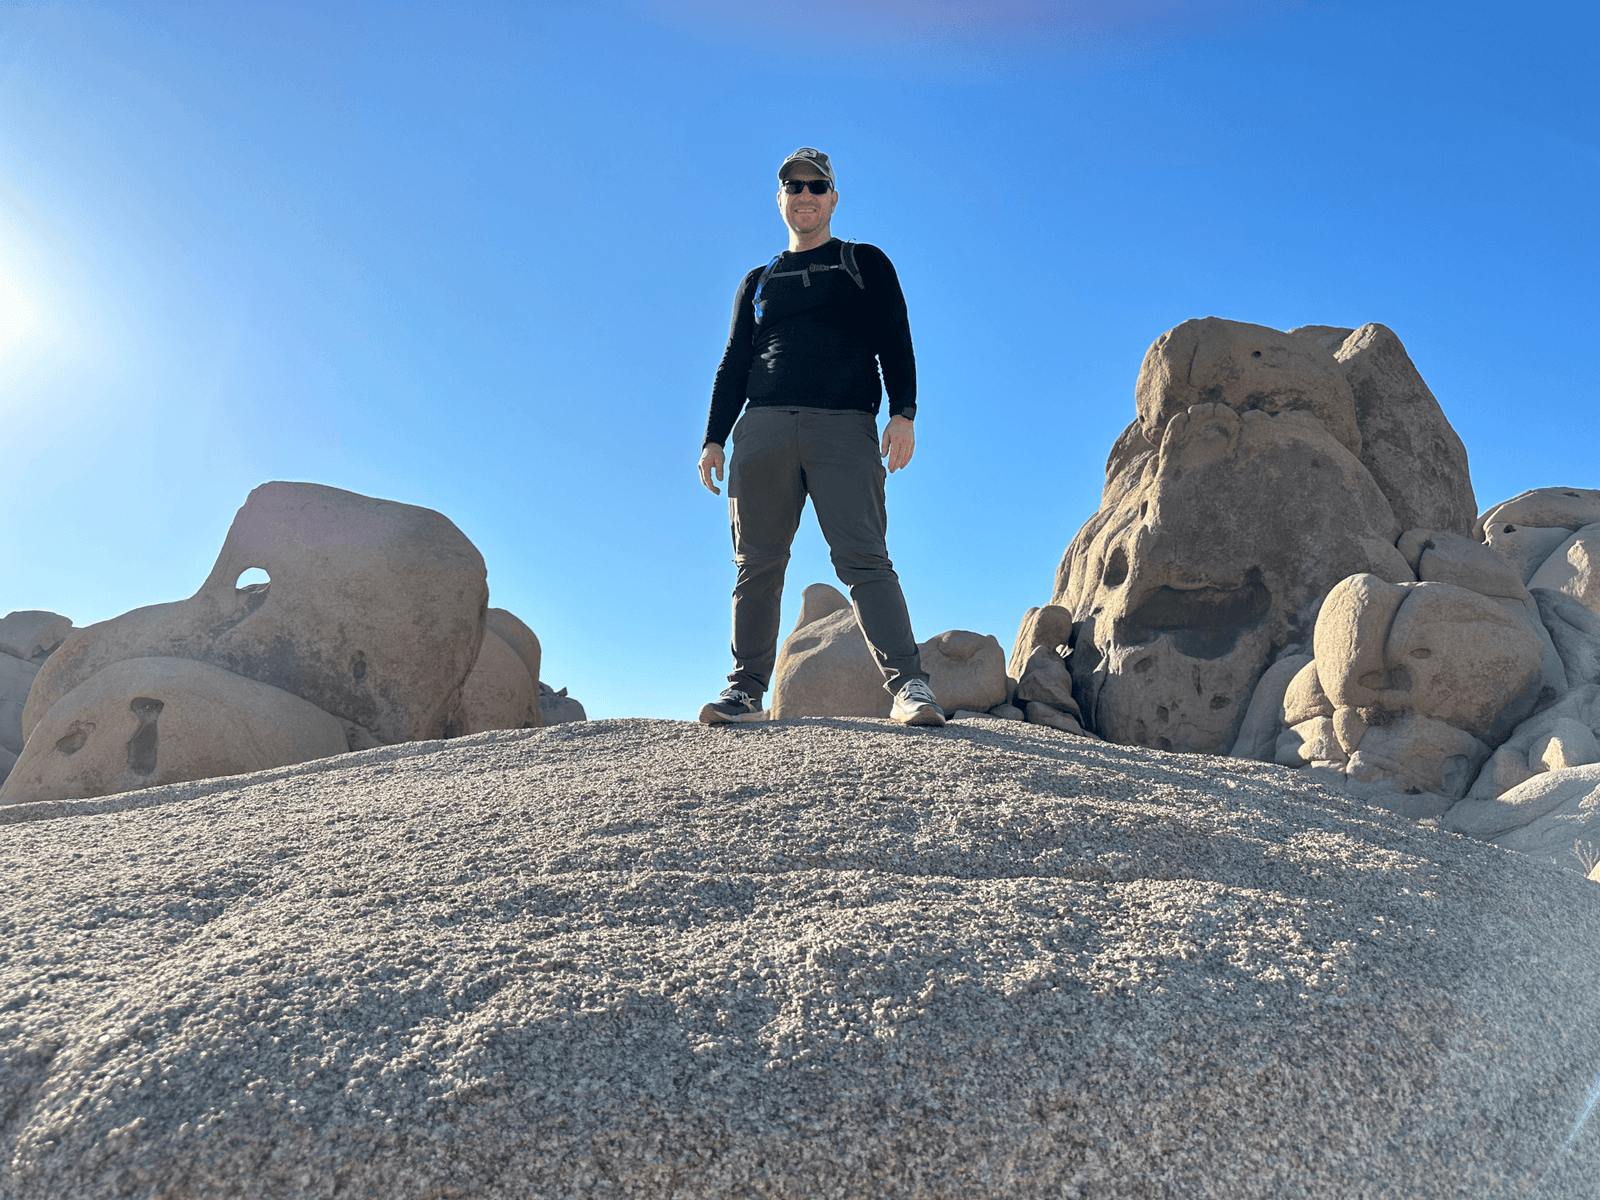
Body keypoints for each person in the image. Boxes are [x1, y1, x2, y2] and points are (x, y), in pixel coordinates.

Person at [696, 146, 944, 728]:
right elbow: (734, 361)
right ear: (779, 198)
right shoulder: (759, 281)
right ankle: (745, 691)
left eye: (816, 186)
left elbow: (895, 337)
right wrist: (713, 437)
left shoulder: (863, 261)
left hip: (844, 427)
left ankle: (910, 687)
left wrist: (903, 413)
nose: (804, 195)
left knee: (864, 559)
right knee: (756, 563)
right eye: (793, 186)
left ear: (833, 198)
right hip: (763, 428)